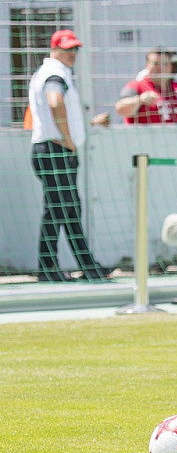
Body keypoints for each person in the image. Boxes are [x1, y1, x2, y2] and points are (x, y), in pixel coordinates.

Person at [28, 30, 112, 282]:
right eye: (66, 49)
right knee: (59, 210)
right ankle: (49, 269)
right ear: (54, 50)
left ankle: (86, 266)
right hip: (55, 152)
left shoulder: (54, 72)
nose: (72, 54)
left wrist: (83, 127)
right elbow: (55, 103)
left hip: (53, 150)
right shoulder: (55, 73)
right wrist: (67, 140)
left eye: (75, 49)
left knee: (68, 210)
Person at [115, 47, 177, 124]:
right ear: (147, 65)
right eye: (156, 63)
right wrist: (140, 100)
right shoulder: (136, 86)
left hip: (175, 143)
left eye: (165, 63)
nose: (161, 67)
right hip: (144, 144)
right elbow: (120, 109)